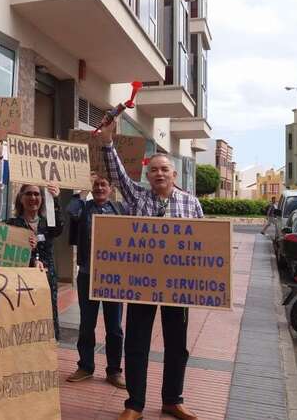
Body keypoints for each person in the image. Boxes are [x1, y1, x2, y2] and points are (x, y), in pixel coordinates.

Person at [99, 117, 203, 420]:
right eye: (154, 169)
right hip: (141, 284)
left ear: (173, 174)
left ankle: (173, 399)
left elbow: (203, 246)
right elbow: (117, 174)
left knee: (177, 345)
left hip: (177, 287)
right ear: (148, 174)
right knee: (136, 343)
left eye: (164, 169)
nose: (159, 173)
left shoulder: (191, 204)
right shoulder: (138, 197)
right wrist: (107, 140)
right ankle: (134, 404)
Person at [65, 175, 126, 389]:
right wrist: (80, 191)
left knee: (115, 327)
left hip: (113, 278)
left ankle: (114, 371)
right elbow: (71, 212)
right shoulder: (83, 207)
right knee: (86, 324)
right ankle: (85, 366)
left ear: (111, 188)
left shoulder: (120, 209)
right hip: (87, 275)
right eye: (96, 185)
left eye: (104, 185)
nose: (100, 188)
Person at [6, 184, 64, 339]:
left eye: (37, 194)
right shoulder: (12, 224)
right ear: (21, 198)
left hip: (46, 280)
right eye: (29, 194)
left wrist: (55, 199)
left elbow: (59, 227)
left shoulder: (48, 223)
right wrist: (30, 258)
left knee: (46, 319)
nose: (33, 198)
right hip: (20, 282)